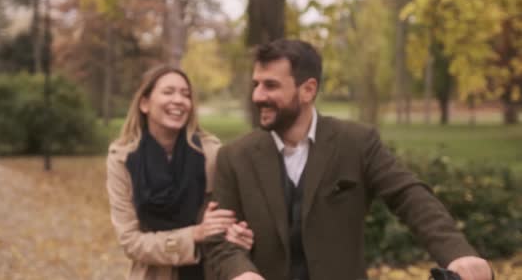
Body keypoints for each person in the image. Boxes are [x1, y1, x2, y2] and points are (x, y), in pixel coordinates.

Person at [204, 39, 493, 280]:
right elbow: (218, 239)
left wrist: (458, 254)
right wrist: (241, 273)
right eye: (256, 84)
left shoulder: (357, 142)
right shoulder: (235, 156)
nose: (257, 96)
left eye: (270, 85)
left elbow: (409, 195)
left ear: (308, 90)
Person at [106, 65, 252, 280]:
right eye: (168, 92)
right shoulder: (122, 159)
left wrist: (238, 235)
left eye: (186, 95)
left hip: (208, 272)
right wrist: (194, 235)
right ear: (144, 103)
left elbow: (228, 220)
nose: (178, 100)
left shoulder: (211, 154)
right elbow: (131, 242)